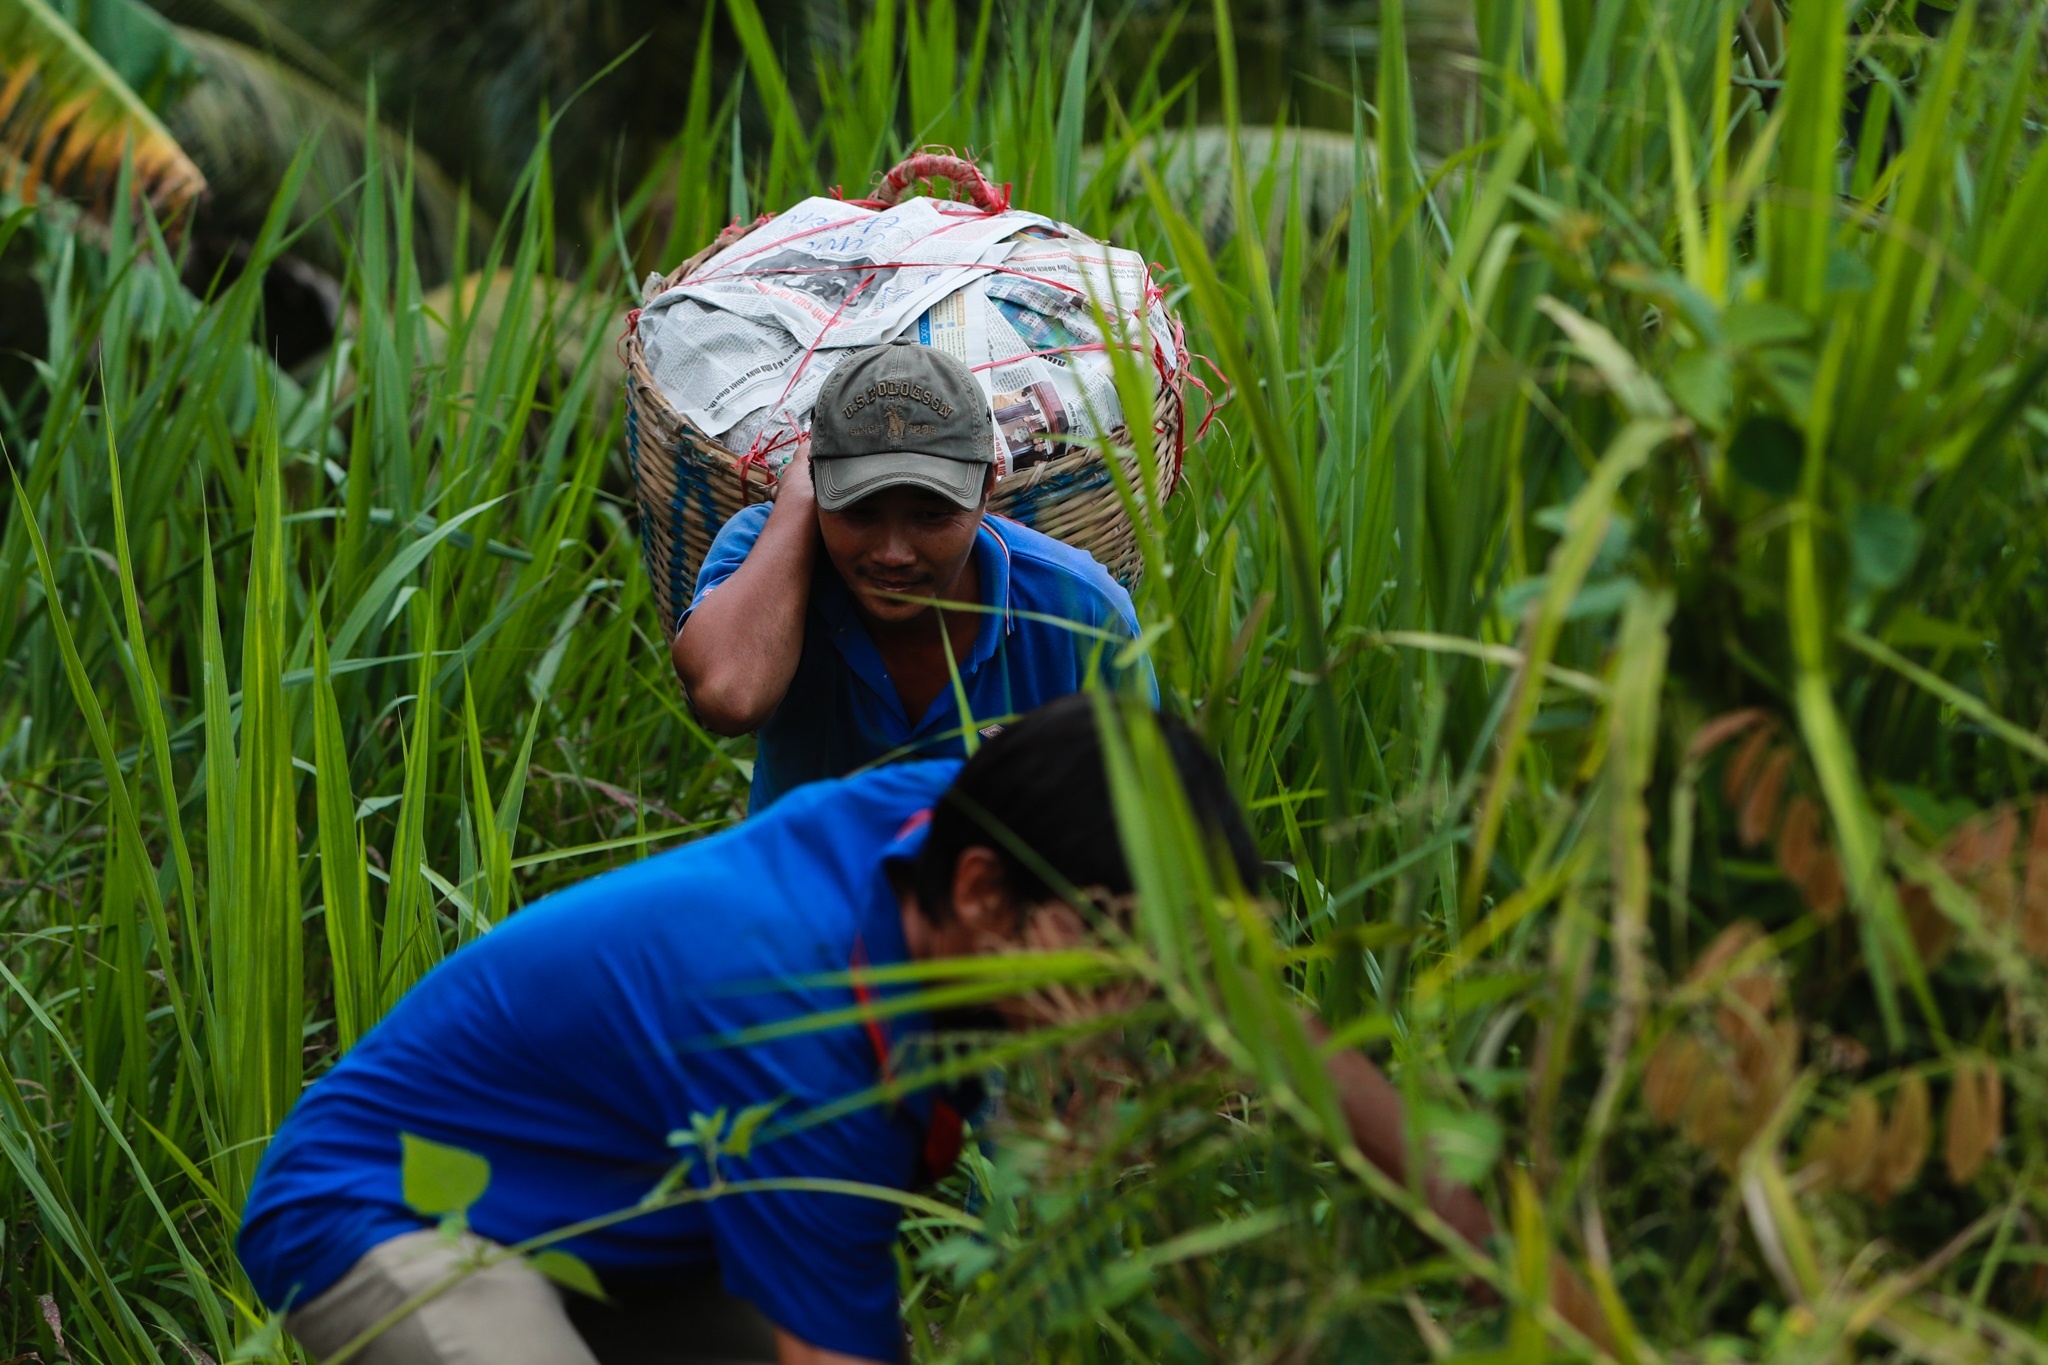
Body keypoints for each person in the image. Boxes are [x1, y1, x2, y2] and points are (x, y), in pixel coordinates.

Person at [237, 698, 1598, 1364]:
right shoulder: (787, 1013)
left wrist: (1557, 1304)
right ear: (979, 895)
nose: (1148, 1007)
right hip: (399, 1211)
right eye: (1123, 963)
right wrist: (1066, 1143)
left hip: (628, 1224)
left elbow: (1303, 1048)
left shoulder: (992, 825)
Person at [671, 341, 1153, 813]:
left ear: (986, 487)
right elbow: (730, 699)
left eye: (930, 516)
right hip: (808, 888)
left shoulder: (1077, 607)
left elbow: (1138, 816)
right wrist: (798, 500)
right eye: (858, 513)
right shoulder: (768, 546)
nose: (893, 554)